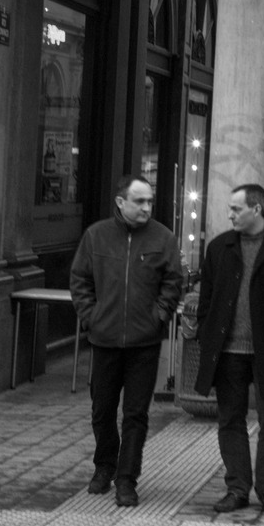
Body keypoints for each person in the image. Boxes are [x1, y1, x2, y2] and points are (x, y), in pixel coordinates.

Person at [192, 183, 264, 515]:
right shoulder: (219, 247)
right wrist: (206, 331)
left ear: (256, 210)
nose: (229, 214)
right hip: (228, 352)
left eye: (235, 209)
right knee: (230, 419)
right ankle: (237, 487)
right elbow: (207, 299)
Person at [70, 175, 183, 507]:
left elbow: (173, 282)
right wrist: (90, 316)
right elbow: (80, 279)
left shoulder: (163, 238)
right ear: (121, 202)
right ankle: (104, 465)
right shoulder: (96, 236)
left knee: (136, 414)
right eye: (140, 201)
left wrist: (158, 316)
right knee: (102, 410)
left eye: (150, 201)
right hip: (104, 340)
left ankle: (127, 478)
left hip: (144, 344)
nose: (147, 207)